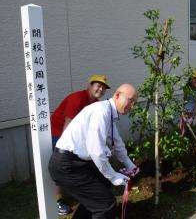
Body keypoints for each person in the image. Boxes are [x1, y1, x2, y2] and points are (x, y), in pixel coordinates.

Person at [48, 83, 138, 219]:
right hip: (67, 165)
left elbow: (116, 142)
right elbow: (96, 151)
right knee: (106, 204)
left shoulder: (108, 112)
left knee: (103, 185)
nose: (132, 106)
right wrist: (113, 175)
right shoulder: (101, 111)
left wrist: (129, 164)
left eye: (135, 103)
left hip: (77, 162)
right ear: (118, 95)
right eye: (130, 100)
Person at [51, 74, 110, 215]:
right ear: (90, 85)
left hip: (73, 136)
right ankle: (58, 200)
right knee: (62, 166)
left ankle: (79, 191)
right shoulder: (77, 99)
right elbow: (68, 124)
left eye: (104, 88)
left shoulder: (95, 103)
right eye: (98, 85)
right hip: (57, 133)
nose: (101, 89)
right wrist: (66, 148)